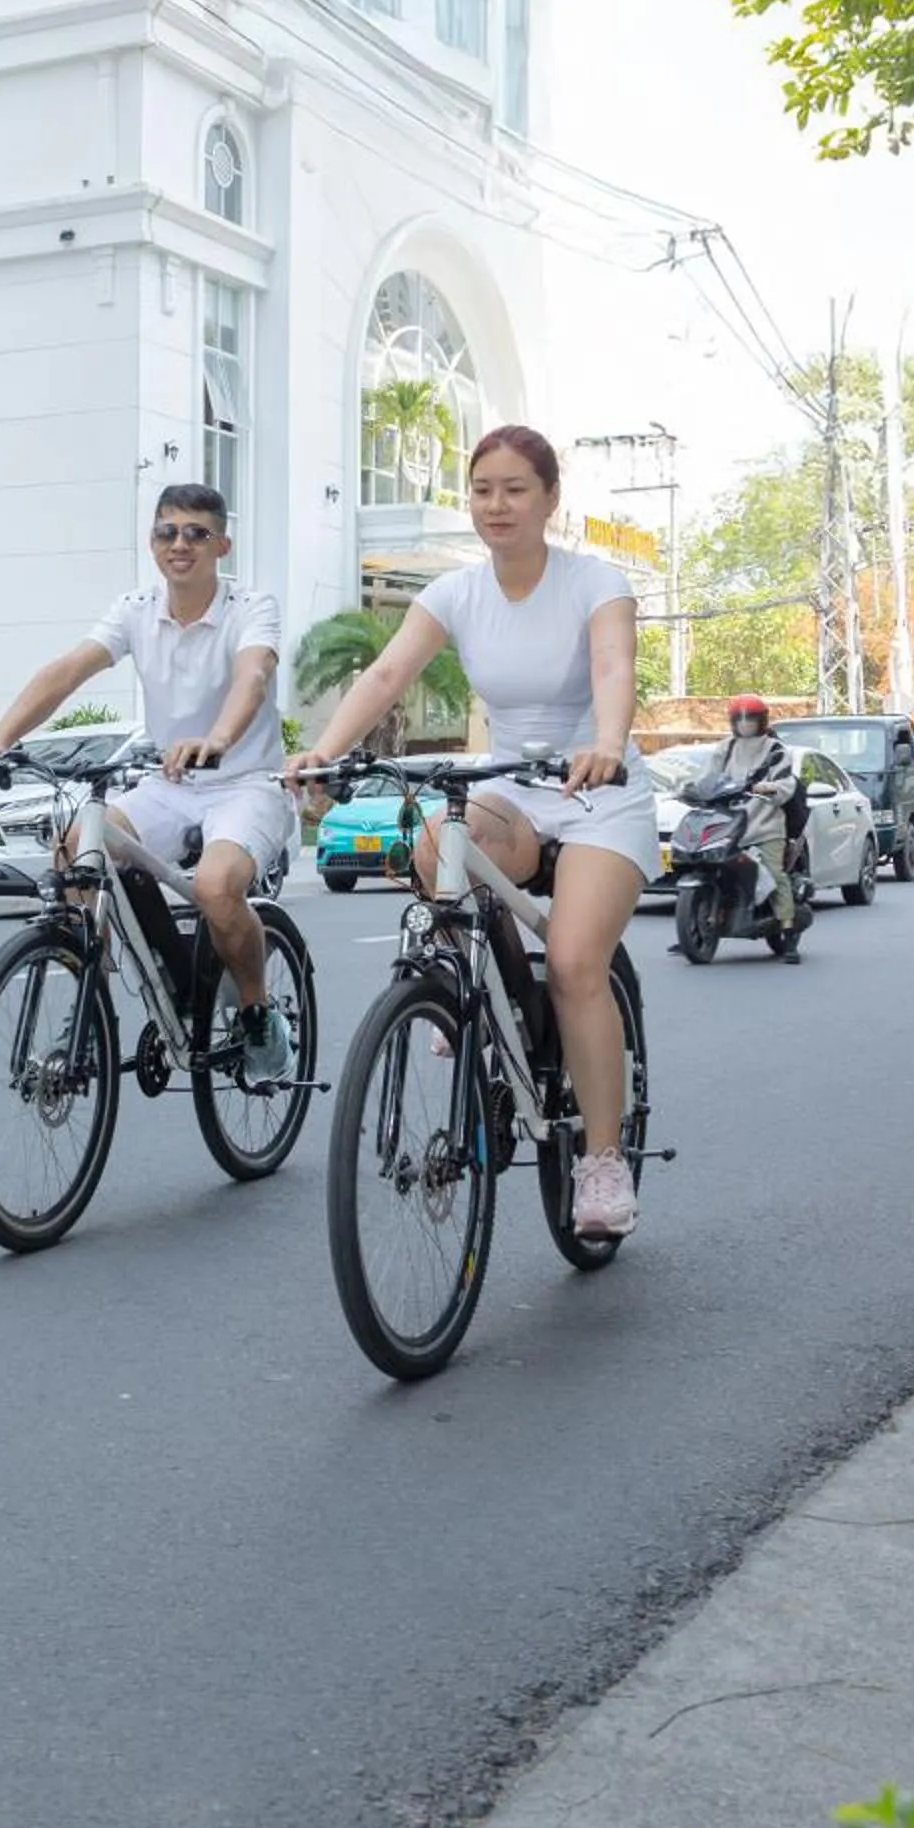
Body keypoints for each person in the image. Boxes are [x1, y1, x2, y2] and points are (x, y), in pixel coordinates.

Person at [291, 424, 659, 1240]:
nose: (498, 505)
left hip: (599, 788)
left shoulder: (595, 579)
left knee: (570, 961)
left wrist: (605, 739)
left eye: (516, 489)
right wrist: (327, 749)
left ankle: (602, 1163)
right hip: (514, 786)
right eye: (484, 489)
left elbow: (613, 668)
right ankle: (472, 999)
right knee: (434, 838)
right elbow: (388, 672)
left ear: (549, 500)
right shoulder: (456, 592)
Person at [0, 484, 298, 1083]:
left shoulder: (250, 606)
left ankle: (255, 1011)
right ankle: (95, 990)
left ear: (222, 544)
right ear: (152, 542)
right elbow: (66, 672)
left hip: (246, 783)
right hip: (167, 781)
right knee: (77, 847)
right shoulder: (136, 607)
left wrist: (217, 738)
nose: (180, 544)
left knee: (216, 889)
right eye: (167, 532)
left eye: (196, 533)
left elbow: (254, 676)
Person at [690, 695, 802, 959]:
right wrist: (694, 789)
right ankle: (700, 926)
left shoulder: (775, 750)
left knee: (774, 875)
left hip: (765, 824)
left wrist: (770, 787)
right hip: (729, 823)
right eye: (739, 719)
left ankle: (787, 929)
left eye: (750, 719)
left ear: (761, 721)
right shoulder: (725, 748)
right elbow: (708, 777)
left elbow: (787, 785)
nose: (744, 725)